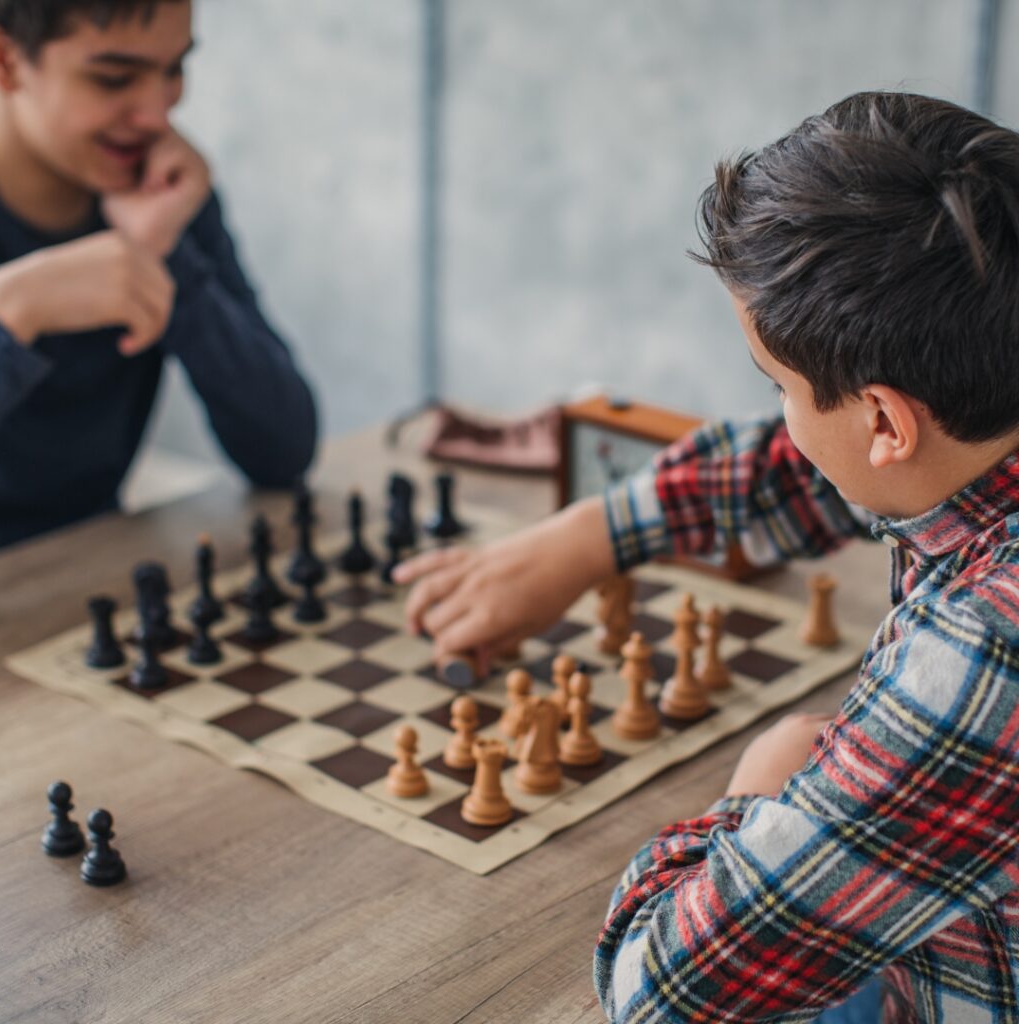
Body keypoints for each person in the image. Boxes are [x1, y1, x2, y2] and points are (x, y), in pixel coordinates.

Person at [396, 92, 1019, 1023]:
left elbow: (663, 996)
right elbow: (827, 470)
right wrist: (590, 537)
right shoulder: (977, 416)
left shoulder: (987, 646)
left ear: (884, 420)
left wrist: (766, 786)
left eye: (779, 388)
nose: (781, 419)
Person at [0, 0, 317, 550]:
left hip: (80, 581)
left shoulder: (162, 191)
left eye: (173, 70)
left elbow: (282, 450)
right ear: (4, 59)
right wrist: (12, 313)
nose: (157, 114)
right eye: (113, 78)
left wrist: (165, 257)